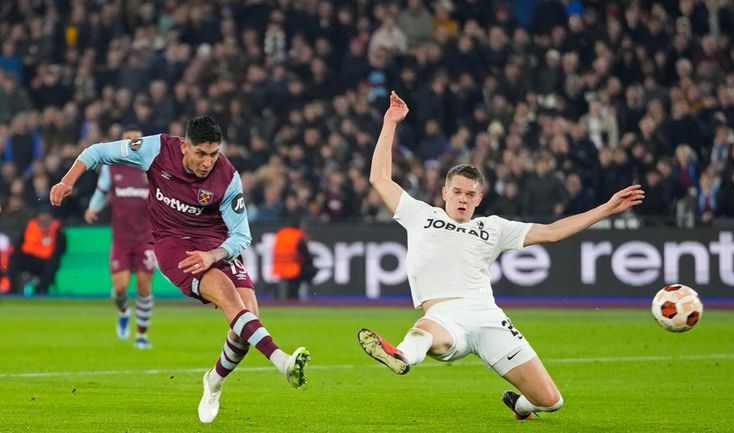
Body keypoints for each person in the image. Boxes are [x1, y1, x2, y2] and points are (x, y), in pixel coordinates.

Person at [357, 92, 645, 420]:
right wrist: (389, 123)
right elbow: (379, 178)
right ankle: (401, 355)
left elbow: (552, 232)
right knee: (424, 334)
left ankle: (520, 406)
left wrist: (607, 208)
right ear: (444, 193)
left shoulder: (493, 228)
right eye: (457, 192)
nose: (463, 199)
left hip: (487, 316)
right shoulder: (420, 214)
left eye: (470, 194)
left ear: (479, 198)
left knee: (551, 401)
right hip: (444, 315)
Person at [50, 116, 310, 424]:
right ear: (184, 146)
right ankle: (283, 362)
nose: (207, 162)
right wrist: (68, 181)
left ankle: (213, 381)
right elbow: (96, 152)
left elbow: (242, 236)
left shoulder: (227, 177)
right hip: (173, 245)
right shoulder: (156, 149)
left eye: (214, 154)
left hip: (215, 245)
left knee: (246, 322)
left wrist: (214, 253)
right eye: (201, 153)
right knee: (229, 298)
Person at [84, 126, 156, 349]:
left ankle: (142, 335)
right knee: (121, 287)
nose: (133, 143)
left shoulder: (151, 169)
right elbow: (101, 191)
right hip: (122, 239)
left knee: (144, 287)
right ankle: (124, 311)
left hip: (146, 239)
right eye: (128, 139)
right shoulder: (112, 168)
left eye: (136, 139)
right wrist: (92, 208)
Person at [7, 204, 66, 295]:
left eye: (46, 215)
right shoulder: (30, 226)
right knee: (14, 259)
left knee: (52, 263)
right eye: (41, 215)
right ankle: (12, 290)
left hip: (46, 261)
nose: (44, 218)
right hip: (30, 258)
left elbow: (60, 249)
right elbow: (19, 245)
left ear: (51, 217)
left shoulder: (57, 231)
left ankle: (41, 291)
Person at [272, 218, 317, 301]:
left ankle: (282, 296)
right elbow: (305, 253)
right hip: (293, 269)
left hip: (279, 268)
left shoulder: (281, 233)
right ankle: (302, 295)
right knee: (311, 270)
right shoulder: (298, 235)